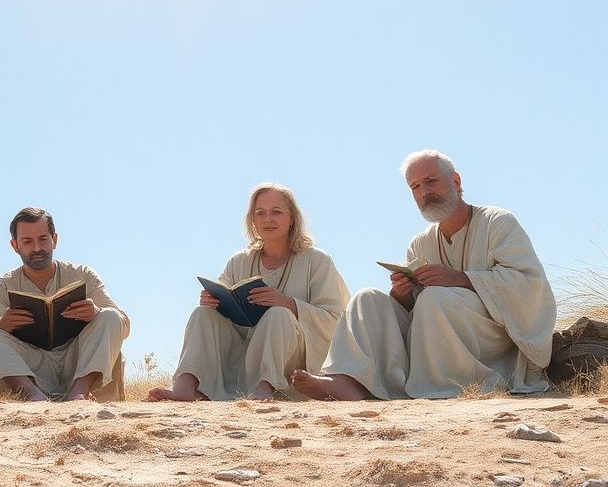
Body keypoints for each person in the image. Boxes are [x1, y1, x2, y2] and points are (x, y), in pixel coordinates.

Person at [292, 150, 556, 400]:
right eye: (415, 187)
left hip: (489, 337)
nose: (424, 193)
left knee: (433, 298)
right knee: (366, 298)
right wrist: (402, 295)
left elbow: (528, 283)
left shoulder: (497, 222)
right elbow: (412, 310)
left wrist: (459, 278)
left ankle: (442, 386)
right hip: (429, 334)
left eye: (431, 181)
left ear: (456, 181)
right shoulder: (420, 243)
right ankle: (349, 381)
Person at [148, 183, 349, 402]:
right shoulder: (239, 261)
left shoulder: (317, 260)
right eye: (260, 213)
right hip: (241, 352)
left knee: (279, 314)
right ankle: (185, 385)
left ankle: (265, 387)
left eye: (276, 212)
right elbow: (225, 296)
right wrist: (212, 301)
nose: (267, 219)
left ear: (292, 218)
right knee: (202, 314)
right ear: (252, 220)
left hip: (292, 361)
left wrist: (288, 303)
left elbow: (335, 320)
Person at [0, 207, 129, 401]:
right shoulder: (1, 286)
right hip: (29, 366)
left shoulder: (83, 274)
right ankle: (33, 396)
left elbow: (124, 325)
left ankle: (79, 393)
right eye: (27, 241)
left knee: (110, 316)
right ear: (15, 245)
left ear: (54, 240)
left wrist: (96, 312)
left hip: (77, 361)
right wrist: (2, 325)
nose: (37, 248)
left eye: (43, 239)